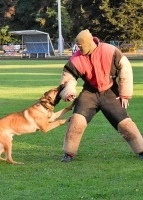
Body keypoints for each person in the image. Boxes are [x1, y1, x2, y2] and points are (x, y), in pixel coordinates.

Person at [59, 29, 143, 162]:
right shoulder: (77, 58)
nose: (78, 48)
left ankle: (141, 150)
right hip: (89, 93)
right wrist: (69, 90)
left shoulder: (110, 51)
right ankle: (68, 153)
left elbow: (125, 67)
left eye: (80, 45)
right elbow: (68, 76)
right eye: (77, 45)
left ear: (88, 43)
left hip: (110, 92)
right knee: (76, 122)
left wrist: (125, 93)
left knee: (125, 124)